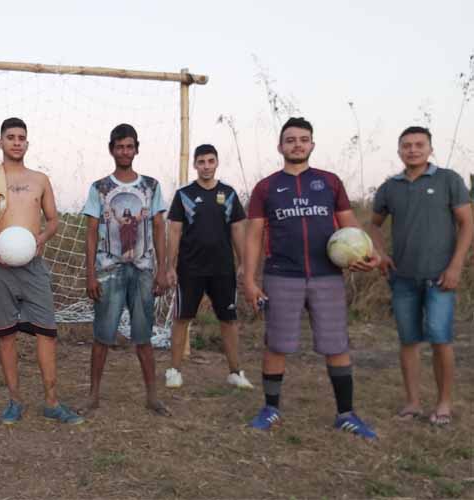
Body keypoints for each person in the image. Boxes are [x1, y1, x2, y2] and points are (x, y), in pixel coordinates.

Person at [243, 117, 379, 438]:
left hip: (326, 276)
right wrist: (249, 279)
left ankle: (345, 413)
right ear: (280, 146)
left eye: (303, 139)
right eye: (290, 140)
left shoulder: (330, 182)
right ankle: (271, 408)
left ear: (312, 145)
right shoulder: (266, 187)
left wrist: (366, 254)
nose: (297, 145)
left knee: (336, 345)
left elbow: (349, 225)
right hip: (281, 275)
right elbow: (253, 237)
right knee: (277, 344)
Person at [0, 117, 83, 425]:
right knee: (5, 336)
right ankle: (15, 401)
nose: (17, 142)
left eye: (22, 137)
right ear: (1, 142)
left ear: (27, 143)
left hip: (34, 266)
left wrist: (40, 240)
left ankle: (52, 402)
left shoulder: (40, 179)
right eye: (11, 137)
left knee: (46, 332)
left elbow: (53, 220)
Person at [367, 126, 473, 426]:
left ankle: (443, 403)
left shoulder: (448, 180)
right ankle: (412, 403)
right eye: (406, 145)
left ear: (430, 148)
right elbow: (374, 224)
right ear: (399, 150)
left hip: (440, 277)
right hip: (403, 278)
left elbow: (467, 224)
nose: (413, 150)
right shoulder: (390, 187)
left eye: (419, 144)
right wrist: (381, 253)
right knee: (409, 340)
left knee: (441, 339)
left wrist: (455, 267)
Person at [80, 123, 170, 417]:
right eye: (119, 146)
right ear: (111, 150)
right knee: (102, 336)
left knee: (143, 337)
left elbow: (158, 228)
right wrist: (91, 273)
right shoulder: (100, 188)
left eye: (129, 146)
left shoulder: (150, 186)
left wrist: (162, 269)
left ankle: (152, 396)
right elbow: (92, 231)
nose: (124, 151)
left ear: (136, 149)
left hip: (143, 270)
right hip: (109, 270)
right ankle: (93, 395)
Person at [164, 144, 253, 390]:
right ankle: (174, 371)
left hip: (222, 269)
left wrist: (244, 263)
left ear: (216, 163)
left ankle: (235, 372)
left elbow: (237, 229)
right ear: (195, 164)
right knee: (182, 318)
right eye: (201, 161)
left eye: (210, 161)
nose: (206, 166)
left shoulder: (229, 194)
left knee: (229, 319)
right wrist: (170, 267)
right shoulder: (184, 195)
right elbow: (174, 230)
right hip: (190, 269)